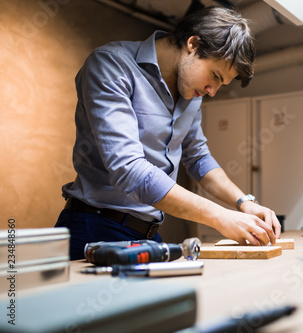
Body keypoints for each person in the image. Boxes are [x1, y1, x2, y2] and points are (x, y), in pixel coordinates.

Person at [55, 7, 281, 260]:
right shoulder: (112, 64)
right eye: (214, 76)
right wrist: (220, 216)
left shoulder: (191, 91)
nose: (212, 91)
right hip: (95, 227)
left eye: (221, 84)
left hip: (147, 234)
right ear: (193, 44)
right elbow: (129, 169)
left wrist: (244, 202)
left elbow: (198, 159)